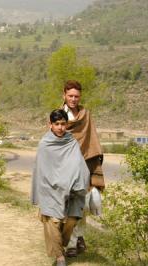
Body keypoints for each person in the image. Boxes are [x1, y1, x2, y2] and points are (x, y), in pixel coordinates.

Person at [31, 109, 90, 266]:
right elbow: (42, 171)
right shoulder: (44, 144)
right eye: (56, 124)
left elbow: (79, 165)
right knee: (53, 222)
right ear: (50, 124)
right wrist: (54, 184)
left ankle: (59, 246)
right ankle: (59, 257)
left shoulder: (71, 142)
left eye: (63, 124)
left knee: (71, 221)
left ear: (67, 124)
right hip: (50, 190)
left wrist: (77, 182)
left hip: (72, 190)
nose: (60, 127)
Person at [61, 80, 105, 257]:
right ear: (64, 94)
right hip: (66, 167)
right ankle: (71, 244)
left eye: (76, 96)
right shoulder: (59, 116)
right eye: (70, 95)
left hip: (85, 165)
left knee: (83, 205)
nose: (73, 99)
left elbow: (91, 139)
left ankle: (79, 238)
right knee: (70, 206)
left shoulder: (86, 115)